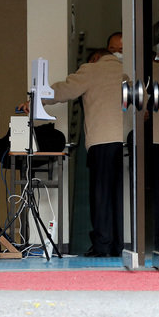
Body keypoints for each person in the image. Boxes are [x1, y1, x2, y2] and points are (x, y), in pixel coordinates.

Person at [18, 49, 127, 257]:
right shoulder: (126, 72)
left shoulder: (92, 69)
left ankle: (103, 245)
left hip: (101, 139)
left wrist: (34, 100)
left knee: (101, 194)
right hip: (122, 141)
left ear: (94, 58)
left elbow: (63, 90)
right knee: (116, 194)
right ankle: (117, 245)